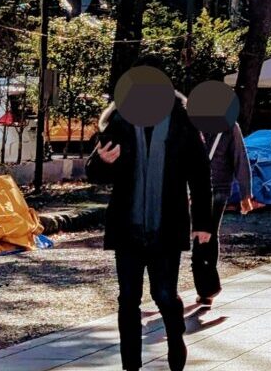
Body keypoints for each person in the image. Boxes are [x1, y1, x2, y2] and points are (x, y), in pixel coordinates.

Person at [87, 90, 212, 371]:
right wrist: (102, 163)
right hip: (127, 229)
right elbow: (95, 172)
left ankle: (175, 339)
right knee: (128, 299)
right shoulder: (118, 120)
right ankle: (130, 366)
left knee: (164, 294)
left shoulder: (183, 122)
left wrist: (203, 223)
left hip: (166, 229)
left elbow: (200, 174)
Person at [193, 120, 254, 305]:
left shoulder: (192, 121)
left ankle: (207, 287)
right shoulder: (230, 124)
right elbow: (240, 158)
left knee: (200, 236)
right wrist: (245, 194)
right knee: (209, 233)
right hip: (219, 187)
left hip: (196, 186)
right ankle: (207, 288)